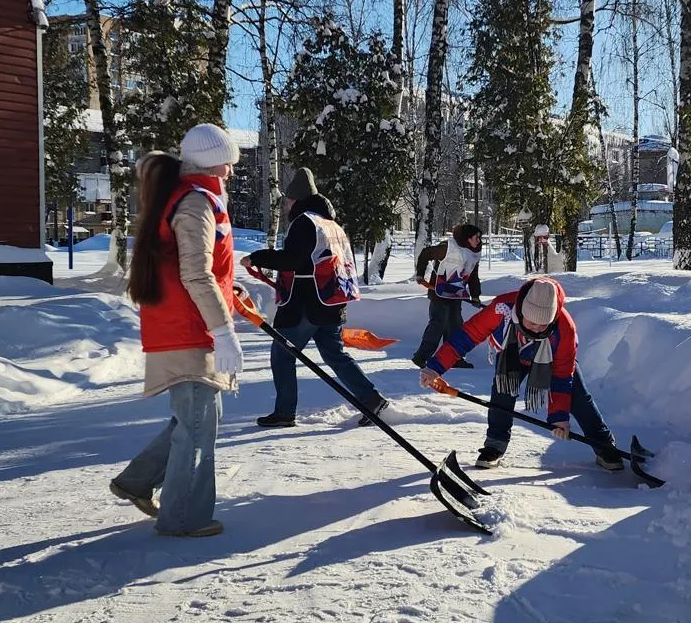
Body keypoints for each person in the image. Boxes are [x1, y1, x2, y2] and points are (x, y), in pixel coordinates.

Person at [106, 124, 246, 538]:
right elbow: (194, 273)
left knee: (199, 417)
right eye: (229, 163)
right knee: (198, 425)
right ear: (212, 162)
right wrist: (222, 330)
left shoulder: (192, 198)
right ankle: (184, 517)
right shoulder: (196, 203)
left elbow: (200, 269)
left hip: (185, 324)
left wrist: (229, 291)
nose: (232, 172)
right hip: (188, 329)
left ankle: (137, 480)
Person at [418, 275, 625, 471]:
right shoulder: (502, 309)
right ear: (521, 311)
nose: (536, 329)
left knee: (579, 399)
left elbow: (562, 376)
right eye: (531, 322)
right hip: (512, 354)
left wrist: (559, 417)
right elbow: (467, 336)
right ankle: (495, 445)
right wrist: (435, 367)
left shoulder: (565, 328)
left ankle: (605, 446)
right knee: (502, 394)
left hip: (551, 360)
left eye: (543, 324)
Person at [243, 166, 390, 428]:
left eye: (288, 200)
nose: (287, 205)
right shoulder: (331, 224)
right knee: (335, 355)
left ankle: (285, 412)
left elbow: (293, 260)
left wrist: (258, 257)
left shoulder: (304, 222)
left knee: (282, 353)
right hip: (331, 301)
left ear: (296, 199)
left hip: (306, 304)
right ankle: (372, 399)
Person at [410, 223, 484, 369]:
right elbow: (425, 253)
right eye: (476, 237)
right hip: (439, 292)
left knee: (456, 326)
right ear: (467, 238)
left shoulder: (474, 253)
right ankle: (421, 357)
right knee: (438, 324)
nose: (479, 240)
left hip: (456, 294)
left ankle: (453, 358)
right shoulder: (447, 248)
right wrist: (420, 273)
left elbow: (473, 275)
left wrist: (475, 295)